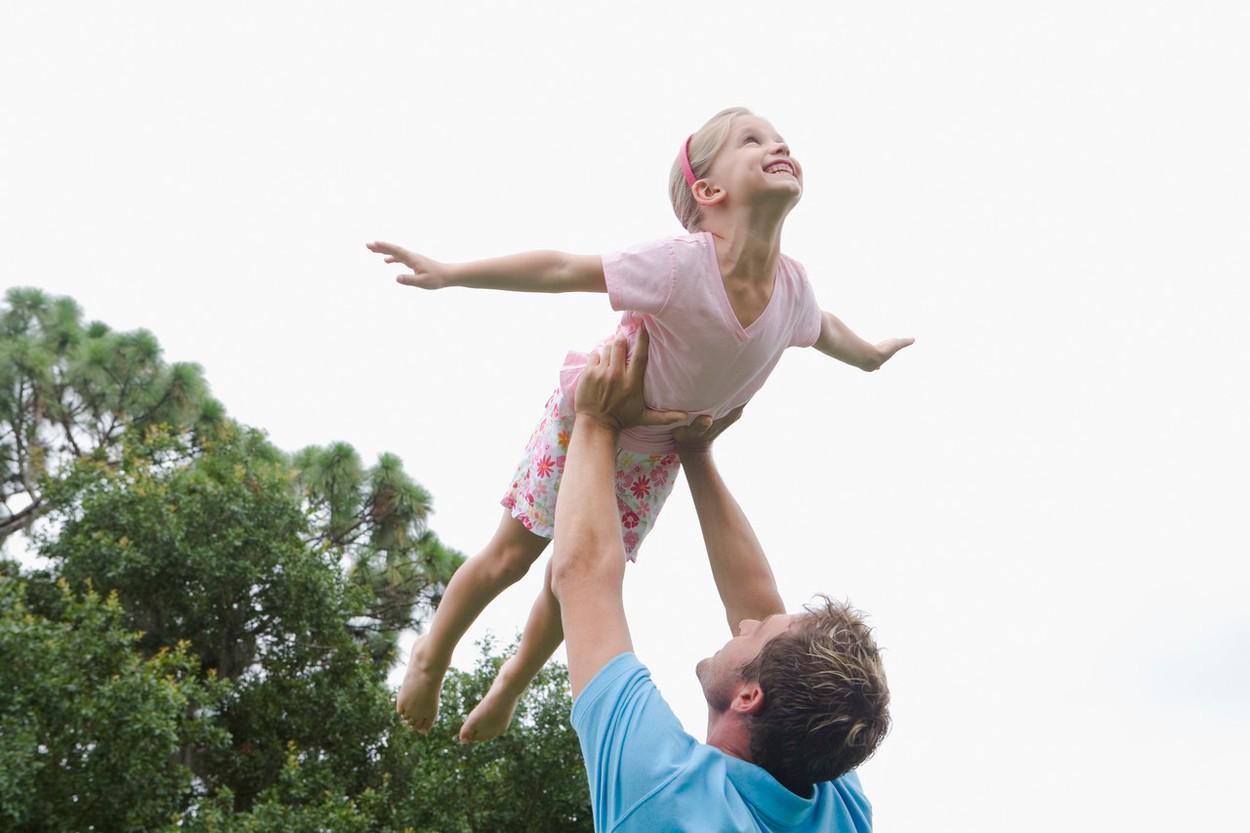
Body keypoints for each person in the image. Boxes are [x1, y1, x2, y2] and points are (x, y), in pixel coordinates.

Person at [370, 106, 912, 740]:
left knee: (572, 582)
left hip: (657, 455)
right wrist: (452, 273)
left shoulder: (794, 293)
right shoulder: (681, 264)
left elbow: (827, 330)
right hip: (590, 418)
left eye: (780, 138)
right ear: (709, 191)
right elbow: (561, 269)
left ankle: (510, 685)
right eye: (752, 141)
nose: (778, 143)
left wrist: (869, 356)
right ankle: (431, 654)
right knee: (510, 558)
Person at [552, 327, 889, 831]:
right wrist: (697, 452)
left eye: (757, 633)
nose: (747, 621)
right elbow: (759, 608)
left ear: (749, 697)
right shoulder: (829, 792)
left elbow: (584, 578)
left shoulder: (665, 795)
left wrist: (596, 417)